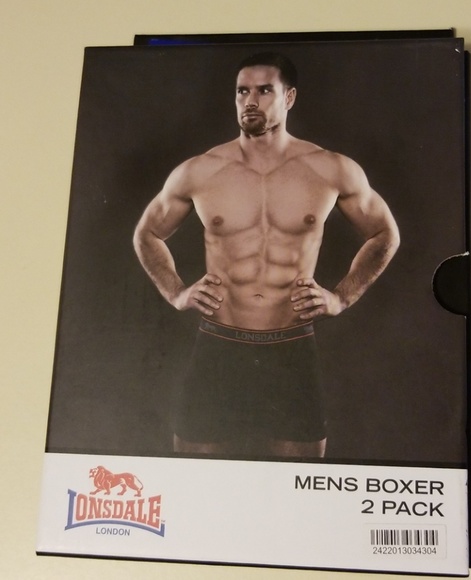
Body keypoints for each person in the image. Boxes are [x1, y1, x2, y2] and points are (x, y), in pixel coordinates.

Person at [133, 52, 400, 458]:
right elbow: (148, 233)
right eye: (242, 91)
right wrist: (176, 292)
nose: (250, 101)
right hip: (219, 345)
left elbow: (384, 233)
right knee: (197, 476)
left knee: (295, 478)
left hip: (291, 348)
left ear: (289, 97)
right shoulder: (201, 170)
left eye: (264, 91)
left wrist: (341, 298)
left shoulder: (330, 169)